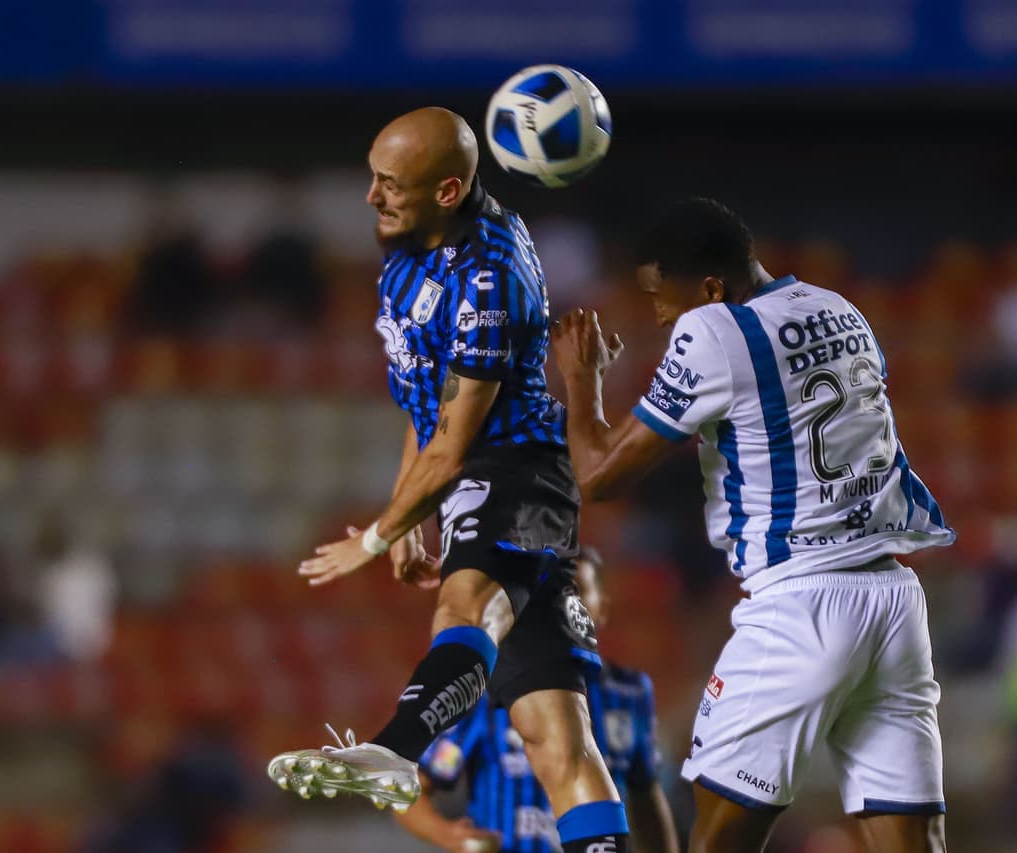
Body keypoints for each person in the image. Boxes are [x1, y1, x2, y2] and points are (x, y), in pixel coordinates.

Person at [267, 108, 631, 853]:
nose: (371, 197)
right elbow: (426, 405)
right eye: (372, 177)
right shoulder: (408, 252)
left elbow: (458, 445)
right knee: (553, 733)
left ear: (449, 189)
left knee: (465, 604)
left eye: (390, 184)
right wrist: (413, 516)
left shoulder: (488, 277)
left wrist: (379, 533)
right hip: (479, 477)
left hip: (518, 472)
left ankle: (394, 749)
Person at [550, 198, 957, 853]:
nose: (659, 315)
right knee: (913, 839)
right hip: (892, 601)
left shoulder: (715, 331)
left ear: (711, 288)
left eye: (663, 298)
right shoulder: (839, 308)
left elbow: (598, 475)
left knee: (715, 834)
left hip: (801, 602)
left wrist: (582, 379)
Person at [395, 548, 679, 853]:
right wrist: (452, 836)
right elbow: (411, 788)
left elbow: (645, 796)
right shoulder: (484, 691)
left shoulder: (629, 694)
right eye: (551, 592)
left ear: (602, 608)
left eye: (577, 591)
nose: (562, 602)